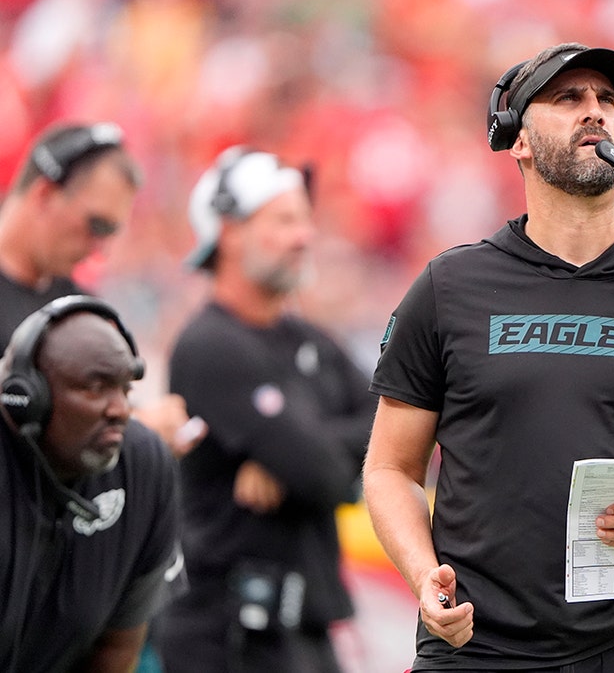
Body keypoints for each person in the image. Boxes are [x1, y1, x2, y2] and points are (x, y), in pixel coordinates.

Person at [362, 42, 614, 672]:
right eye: (567, 98)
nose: (595, 112)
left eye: (608, 101)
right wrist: (423, 576)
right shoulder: (449, 288)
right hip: (476, 647)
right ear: (518, 140)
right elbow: (390, 468)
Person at [156, 146, 376, 673]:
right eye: (282, 220)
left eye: (304, 219)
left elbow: (398, 432)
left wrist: (298, 448)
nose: (304, 236)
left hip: (306, 625)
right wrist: (322, 457)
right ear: (229, 232)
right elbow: (323, 474)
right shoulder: (210, 345)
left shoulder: (314, 342)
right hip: (229, 635)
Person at [0, 295, 185, 673]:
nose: (120, 409)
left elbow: (118, 649)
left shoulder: (142, 465)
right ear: (28, 396)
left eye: (126, 389)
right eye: (95, 387)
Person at [0, 121, 204, 458]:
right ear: (45, 194)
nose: (100, 248)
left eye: (111, 232)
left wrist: (143, 426)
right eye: (96, 225)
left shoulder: (77, 308)